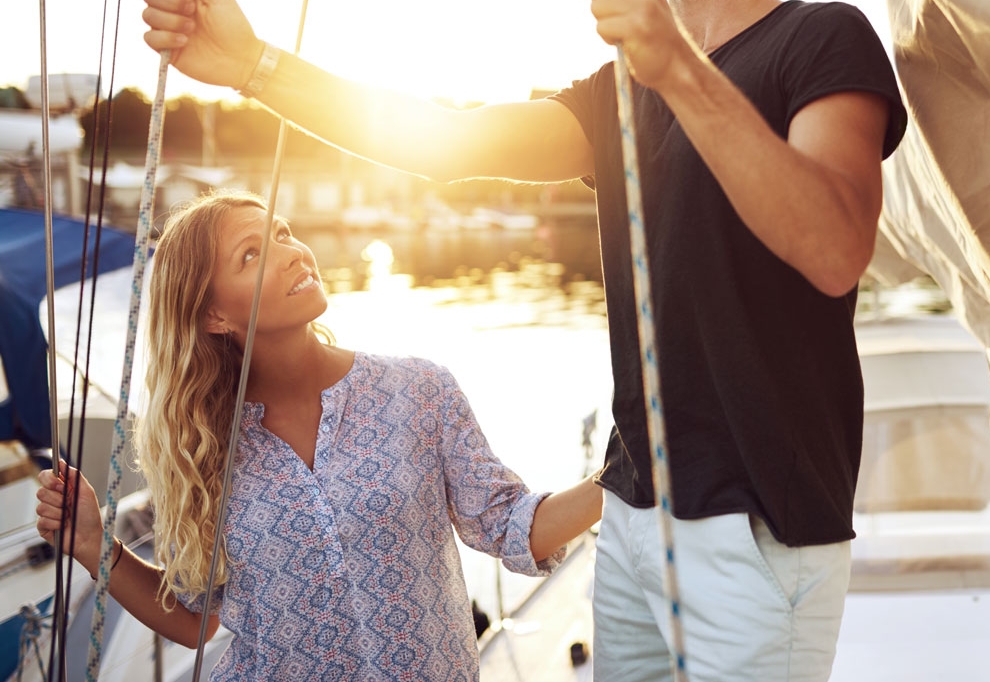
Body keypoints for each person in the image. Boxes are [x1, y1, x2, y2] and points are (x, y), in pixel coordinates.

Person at [141, 0, 908, 682]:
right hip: (633, 516)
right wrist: (254, 66)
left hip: (761, 524)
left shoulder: (822, 38)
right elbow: (448, 142)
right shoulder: (617, 92)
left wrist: (674, 64)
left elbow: (837, 246)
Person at [36, 189, 602, 680]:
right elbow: (194, 619)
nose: (291, 253)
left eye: (282, 233)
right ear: (213, 316)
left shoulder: (418, 388)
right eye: (252, 253)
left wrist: (616, 480)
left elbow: (510, 527)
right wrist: (93, 546)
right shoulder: (205, 447)